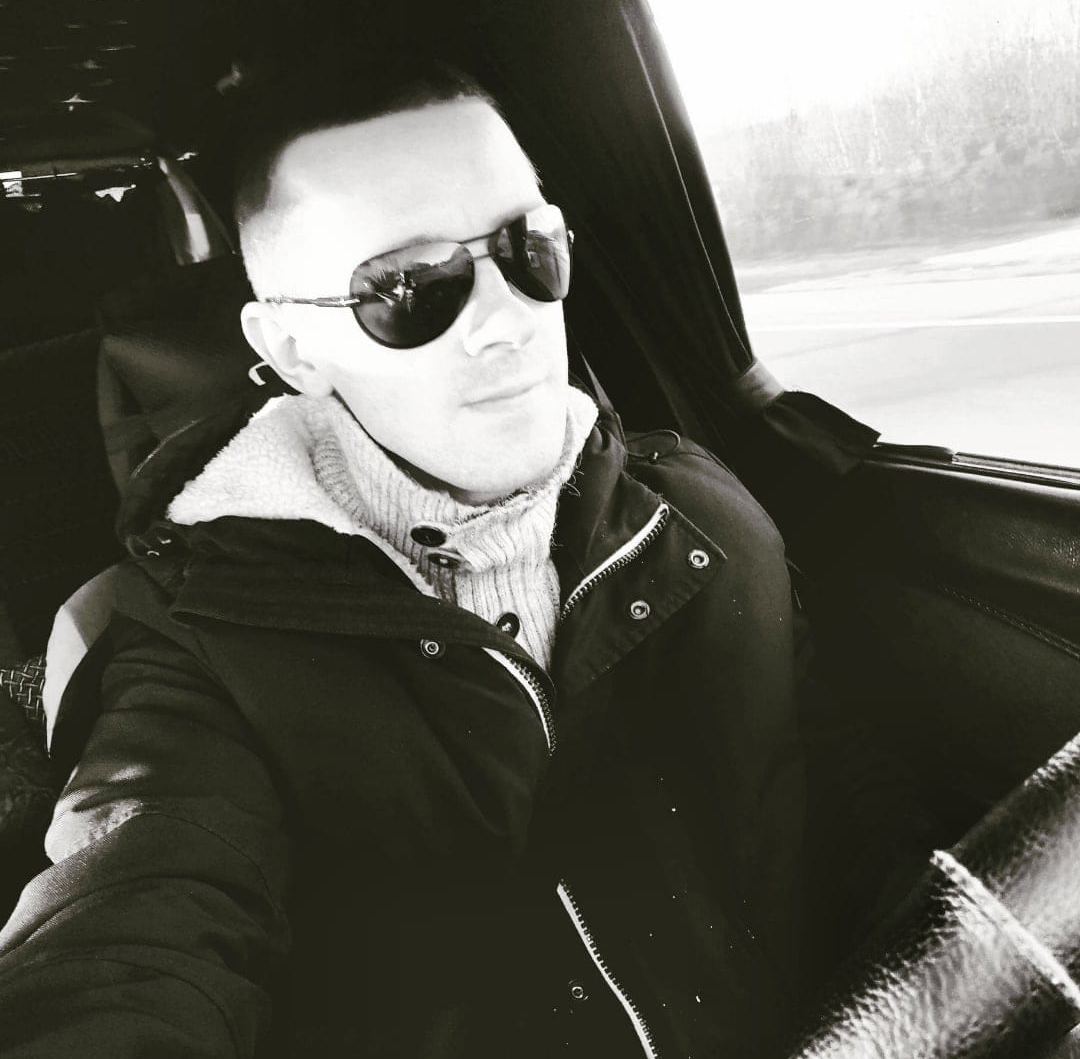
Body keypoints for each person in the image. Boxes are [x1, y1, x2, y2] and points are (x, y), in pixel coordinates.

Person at [0, 55, 805, 1058]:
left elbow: (834, 830)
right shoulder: (200, 639)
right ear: (291, 350)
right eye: (408, 287)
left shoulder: (702, 516)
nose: (508, 322)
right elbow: (132, 929)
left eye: (529, 248)